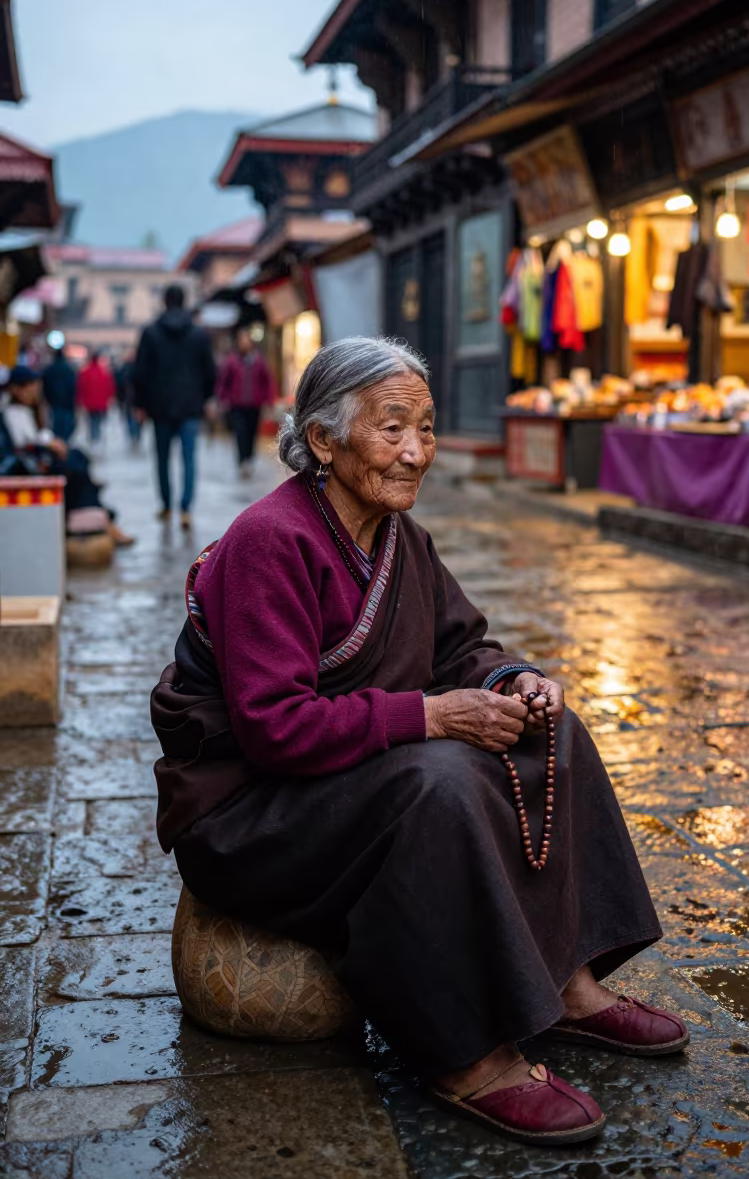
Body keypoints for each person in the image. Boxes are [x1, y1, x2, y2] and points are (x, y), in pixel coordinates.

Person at [150, 337, 687, 1149]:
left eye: (427, 429)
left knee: (554, 732)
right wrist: (433, 717)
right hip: (251, 813)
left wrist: (514, 680)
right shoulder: (272, 540)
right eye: (392, 426)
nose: (415, 452)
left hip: (335, 781)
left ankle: (570, 984)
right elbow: (273, 728)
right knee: (439, 780)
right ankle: (463, 1051)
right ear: (323, 440)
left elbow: (460, 648)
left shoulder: (402, 540)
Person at [1, 364, 133, 545]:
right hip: (28, 466)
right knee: (76, 472)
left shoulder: (28, 410)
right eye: (30, 386)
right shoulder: (12, 412)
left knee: (78, 459)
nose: (35, 391)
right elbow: (24, 443)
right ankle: (104, 520)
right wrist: (51, 445)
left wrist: (52, 444)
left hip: (36, 460)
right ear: (17, 389)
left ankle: (100, 515)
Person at [133, 285, 215, 530]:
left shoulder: (150, 333)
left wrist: (139, 404)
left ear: (164, 302)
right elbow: (210, 372)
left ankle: (167, 505)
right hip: (190, 406)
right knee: (189, 459)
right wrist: (206, 398)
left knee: (162, 458)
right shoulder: (199, 334)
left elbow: (140, 373)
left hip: (159, 406)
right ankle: (186, 508)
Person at [216, 325, 275, 477]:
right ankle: (242, 461)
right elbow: (224, 381)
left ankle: (249, 458)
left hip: (255, 405)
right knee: (240, 433)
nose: (244, 343)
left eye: (246, 339)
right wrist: (222, 398)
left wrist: (269, 401)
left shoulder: (259, 360)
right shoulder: (232, 360)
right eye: (241, 340)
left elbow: (267, 381)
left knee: (252, 433)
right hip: (237, 405)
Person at [77, 352, 115, 443]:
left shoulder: (85, 372)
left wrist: (80, 400)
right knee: (97, 420)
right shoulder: (104, 372)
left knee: (91, 420)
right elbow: (110, 388)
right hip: (101, 403)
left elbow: (80, 387)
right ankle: (96, 436)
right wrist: (109, 398)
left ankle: (93, 437)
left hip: (89, 402)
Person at [41, 346, 77, 442]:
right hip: (67, 402)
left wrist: (48, 398)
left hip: (55, 402)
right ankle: (63, 443)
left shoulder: (49, 369)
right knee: (66, 425)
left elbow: (45, 386)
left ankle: (59, 442)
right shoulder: (69, 369)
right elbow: (73, 386)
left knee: (56, 425)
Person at [115, 349, 142, 447]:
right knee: (135, 418)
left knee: (131, 417)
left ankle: (134, 434)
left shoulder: (125, 369)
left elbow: (118, 383)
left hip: (129, 398)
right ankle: (135, 435)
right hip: (131, 398)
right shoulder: (138, 367)